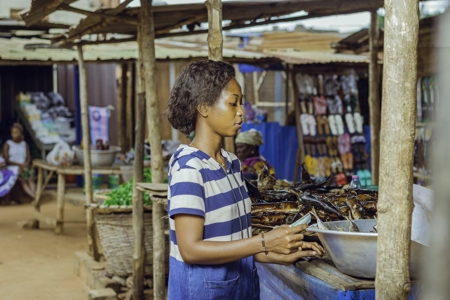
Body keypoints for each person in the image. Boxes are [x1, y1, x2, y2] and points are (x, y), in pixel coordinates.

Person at [165, 60, 324, 299]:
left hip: (239, 288)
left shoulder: (231, 164)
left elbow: (231, 242)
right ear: (204, 108)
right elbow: (191, 250)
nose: (241, 111)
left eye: (240, 103)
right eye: (232, 103)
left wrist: (278, 251)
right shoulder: (189, 167)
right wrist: (263, 242)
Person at [2, 123, 36, 200]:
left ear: (20, 133)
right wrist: (20, 165)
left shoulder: (24, 144)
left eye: (16, 132)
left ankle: (34, 195)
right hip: (13, 167)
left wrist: (26, 164)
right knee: (23, 180)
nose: (14, 134)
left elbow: (28, 157)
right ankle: (34, 197)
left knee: (30, 178)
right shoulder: (8, 144)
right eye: (13, 133)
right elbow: (7, 159)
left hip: (24, 166)